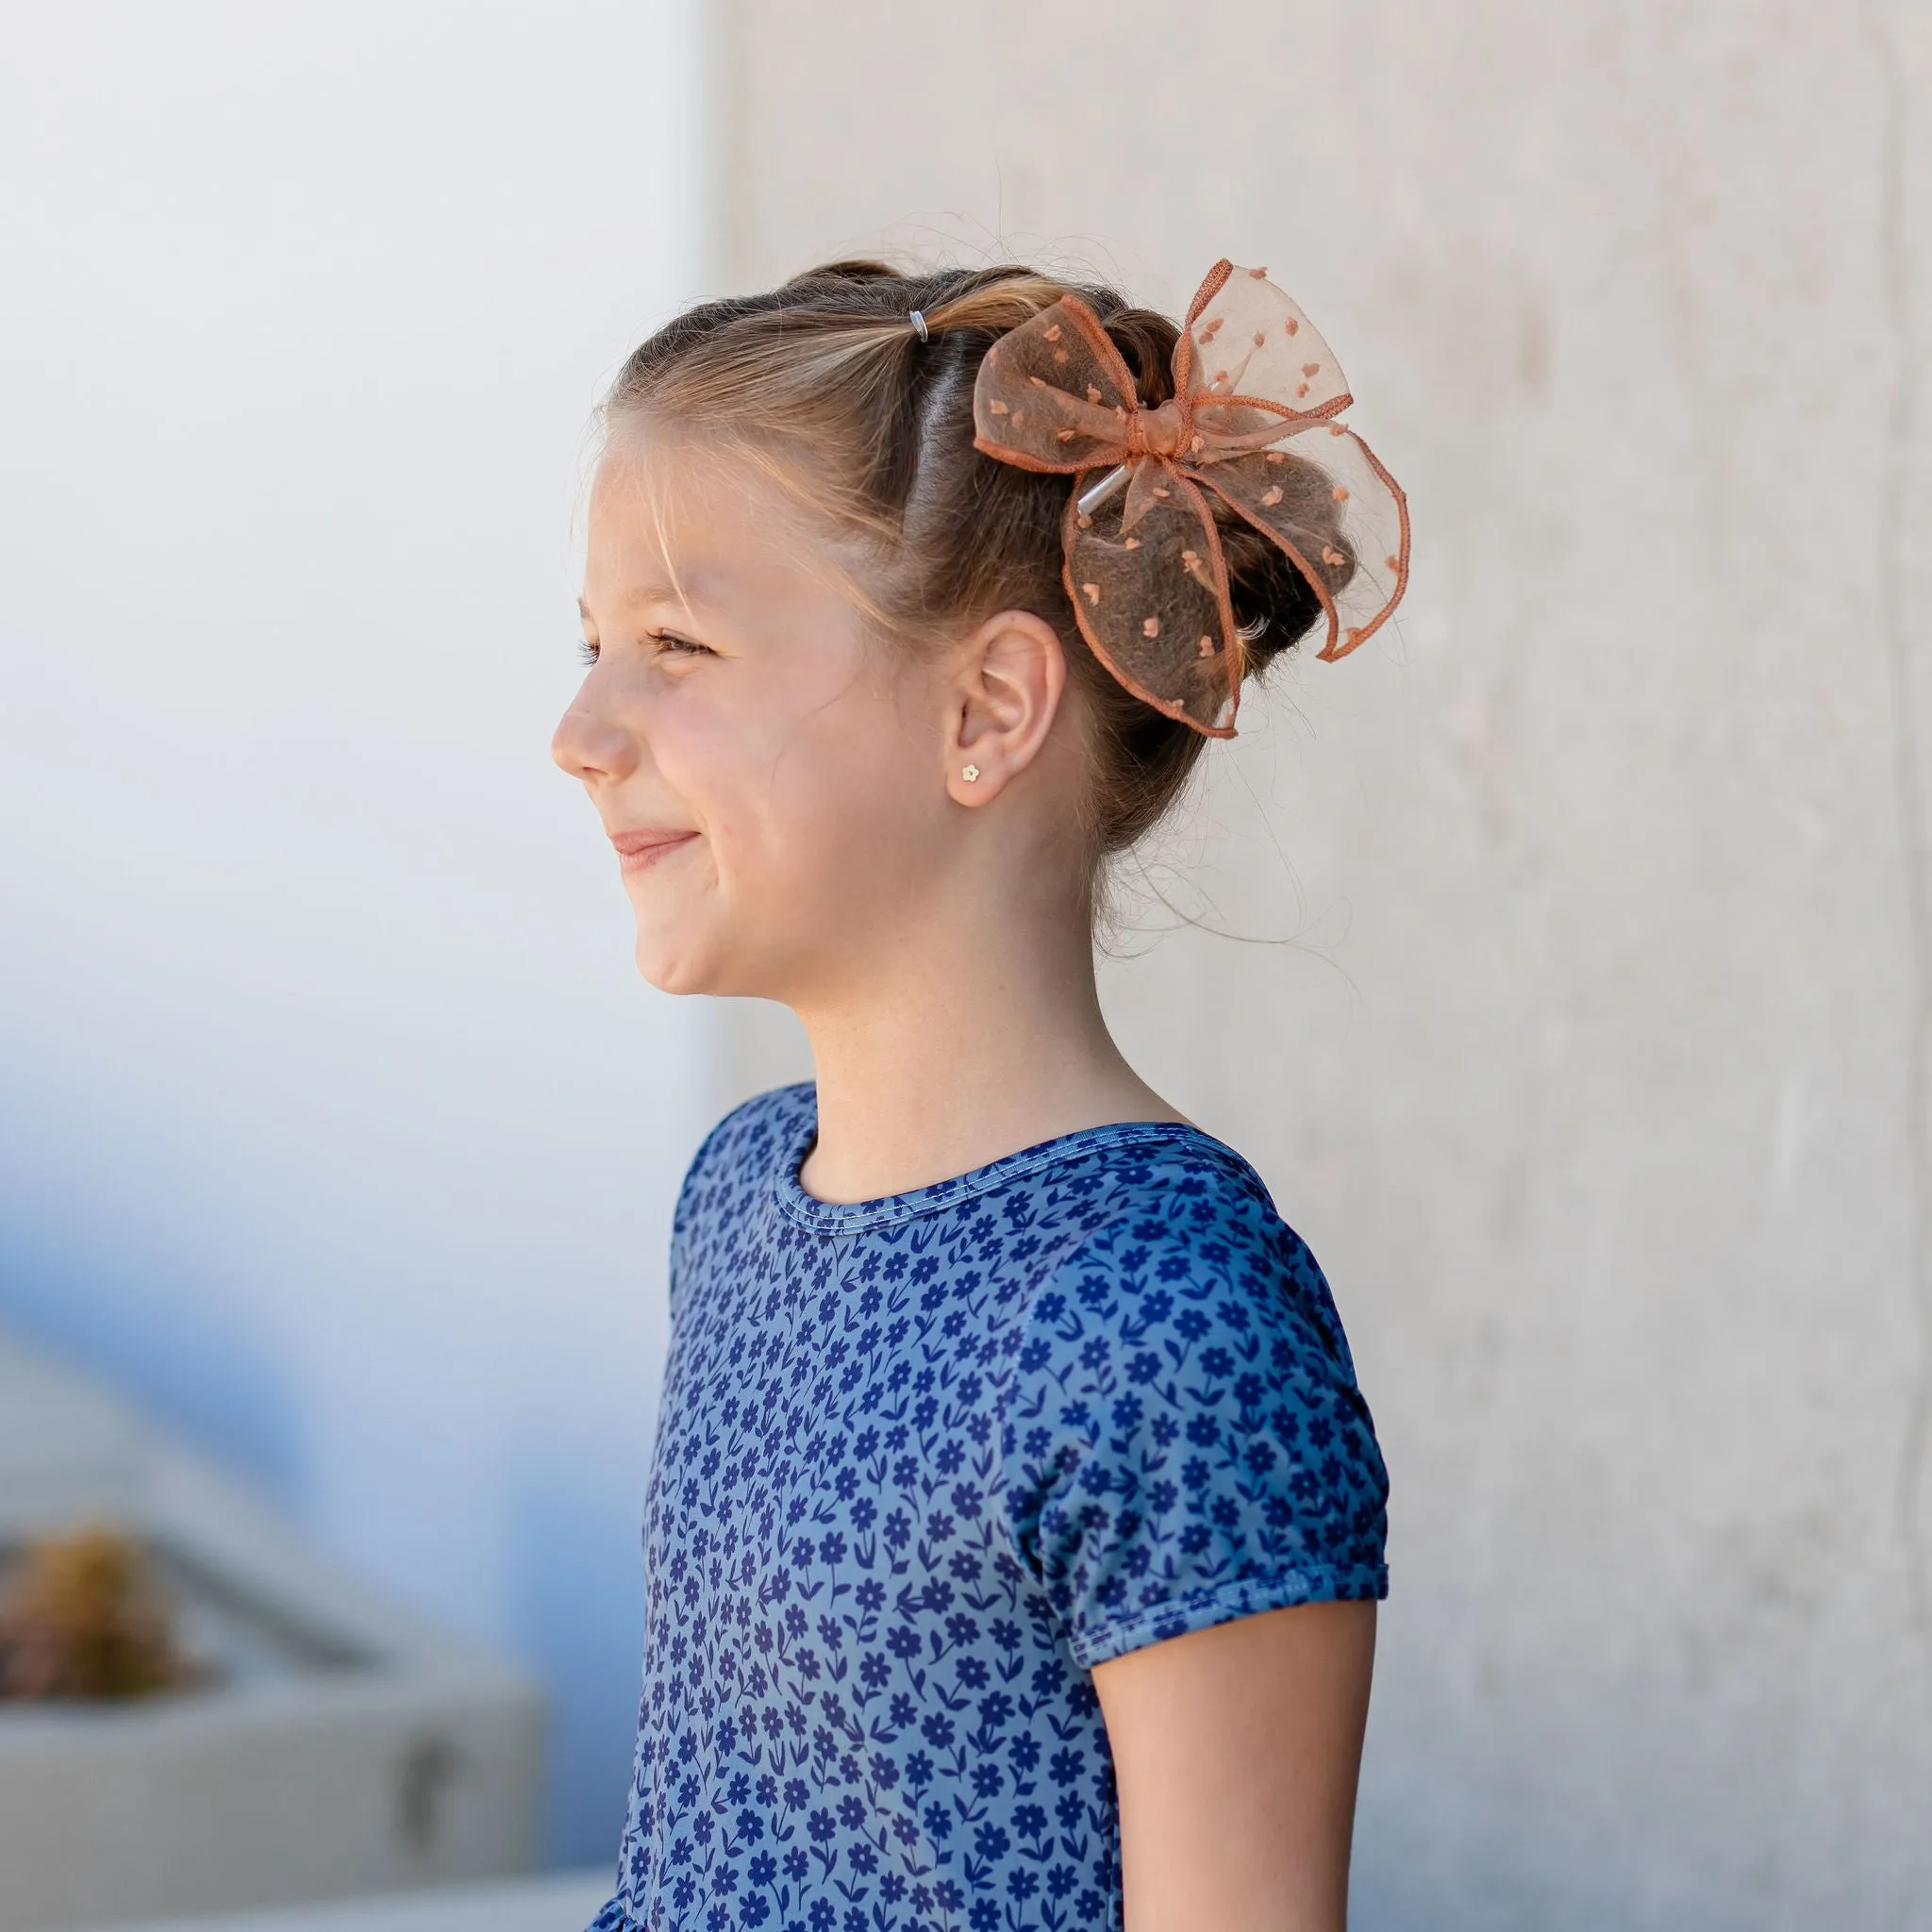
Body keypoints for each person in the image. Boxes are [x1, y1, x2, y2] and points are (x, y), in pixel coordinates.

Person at [554, 255, 1408, 1932]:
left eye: (675, 642)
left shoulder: (1166, 1321)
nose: (582, 726)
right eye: (591, 643)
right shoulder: (744, 1195)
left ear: (988, 708)